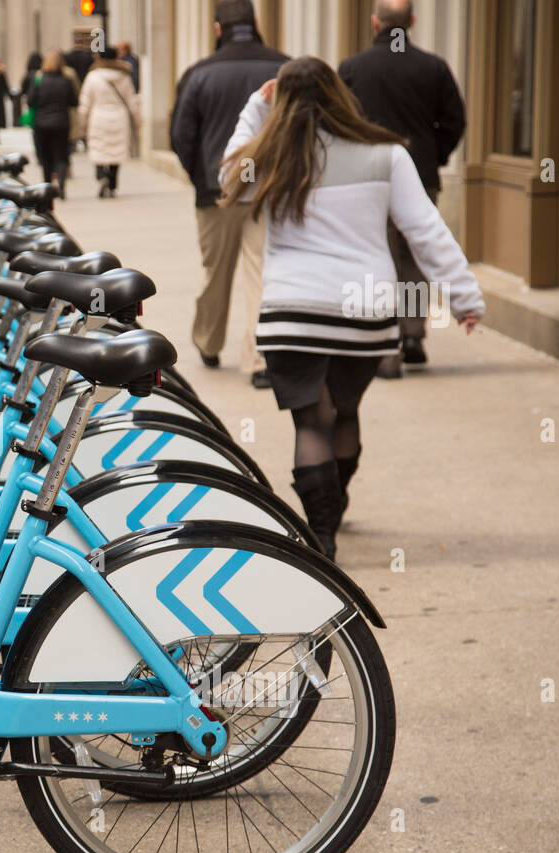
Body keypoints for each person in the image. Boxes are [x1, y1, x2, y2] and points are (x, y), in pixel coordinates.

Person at [219, 58, 483, 560]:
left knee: (310, 423)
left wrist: (255, 109)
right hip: (365, 312)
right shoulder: (386, 153)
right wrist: (464, 297)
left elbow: (229, 177)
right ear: (340, 95)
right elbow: (425, 230)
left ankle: (322, 535)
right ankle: (333, 504)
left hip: (292, 312)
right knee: (345, 411)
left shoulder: (271, 155)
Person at [339, 0, 467, 378]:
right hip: (419, 176)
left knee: (379, 259)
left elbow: (337, 122)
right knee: (415, 259)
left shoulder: (352, 69)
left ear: (375, 22)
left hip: (369, 181)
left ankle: (387, 342)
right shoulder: (433, 67)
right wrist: (434, 156)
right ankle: (412, 336)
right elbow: (454, 121)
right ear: (411, 22)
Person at [170, 0, 286, 383]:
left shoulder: (199, 74)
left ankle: (208, 341)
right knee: (262, 273)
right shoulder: (282, 68)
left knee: (215, 272)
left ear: (218, 29)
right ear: (254, 23)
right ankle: (259, 361)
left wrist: (200, 177)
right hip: (268, 189)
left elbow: (182, 137)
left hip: (216, 190)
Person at [77, 48, 139, 198]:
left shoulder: (93, 76)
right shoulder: (124, 76)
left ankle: (101, 175)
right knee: (116, 152)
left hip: (99, 116)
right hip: (119, 116)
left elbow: (85, 101)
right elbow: (132, 100)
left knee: (99, 149)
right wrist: (137, 121)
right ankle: (112, 184)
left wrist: (82, 121)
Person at [27, 48, 78, 197]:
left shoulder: (39, 80)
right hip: (61, 122)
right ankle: (61, 183)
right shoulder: (66, 80)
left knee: (46, 158)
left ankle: (47, 187)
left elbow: (30, 101)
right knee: (61, 156)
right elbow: (74, 102)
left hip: (41, 123)